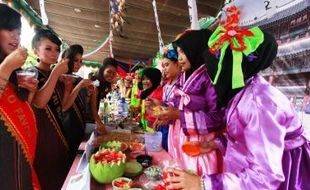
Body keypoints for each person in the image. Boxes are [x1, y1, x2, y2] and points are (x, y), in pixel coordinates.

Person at [165, 6, 310, 190]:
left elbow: (265, 178)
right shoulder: (242, 92)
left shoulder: (258, 104)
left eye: (213, 68)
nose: (209, 76)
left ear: (230, 69)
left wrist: (202, 183)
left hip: (281, 177)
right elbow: (243, 137)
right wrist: (215, 143)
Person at [156, 29, 225, 176]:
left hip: (199, 146)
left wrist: (180, 115)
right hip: (178, 140)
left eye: (183, 52)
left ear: (195, 49)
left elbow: (217, 118)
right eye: (178, 53)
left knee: (194, 179)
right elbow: (175, 104)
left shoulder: (209, 78)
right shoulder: (184, 76)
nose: (179, 58)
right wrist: (164, 113)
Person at [0, 4, 40, 190]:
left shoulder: (15, 72)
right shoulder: (7, 68)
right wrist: (7, 67)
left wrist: (30, 92)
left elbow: (23, 112)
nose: (16, 37)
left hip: (18, 158)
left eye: (19, 31)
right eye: (9, 29)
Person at [31, 28, 71, 190]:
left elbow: (64, 106)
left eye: (57, 50)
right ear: (36, 51)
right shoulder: (31, 74)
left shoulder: (55, 76)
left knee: (59, 178)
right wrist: (55, 74)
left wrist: (68, 88)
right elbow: (38, 103)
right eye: (48, 49)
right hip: (42, 139)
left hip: (58, 136)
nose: (54, 53)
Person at [61, 44, 92, 155]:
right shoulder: (58, 78)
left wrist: (88, 94)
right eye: (75, 60)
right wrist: (79, 86)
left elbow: (84, 104)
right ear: (64, 59)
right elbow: (63, 107)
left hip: (78, 125)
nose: (78, 64)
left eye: (80, 61)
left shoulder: (79, 79)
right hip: (64, 127)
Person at [90, 57, 118, 134]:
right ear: (102, 70)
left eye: (113, 73)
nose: (111, 75)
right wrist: (100, 123)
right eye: (109, 72)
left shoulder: (105, 85)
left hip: (93, 120)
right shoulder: (95, 84)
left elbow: (104, 105)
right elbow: (93, 109)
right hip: (86, 121)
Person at [139, 67, 163, 132]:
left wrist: (154, 106)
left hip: (154, 126)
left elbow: (159, 113)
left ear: (155, 79)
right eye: (143, 79)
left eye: (148, 79)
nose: (144, 81)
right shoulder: (151, 90)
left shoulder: (159, 93)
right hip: (147, 124)